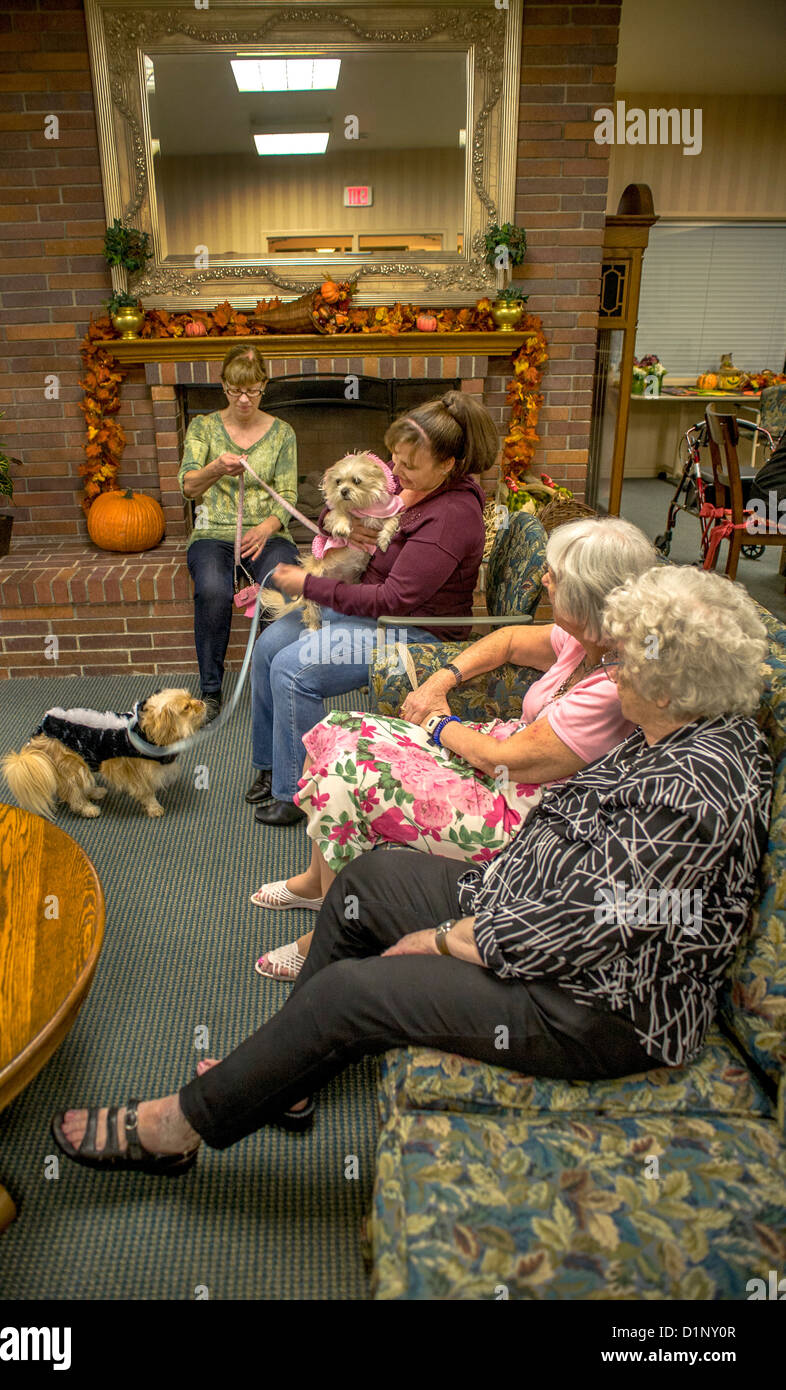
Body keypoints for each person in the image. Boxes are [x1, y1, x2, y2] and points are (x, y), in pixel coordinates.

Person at [51, 566, 773, 1172]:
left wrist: (446, 937)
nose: (611, 675)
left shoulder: (694, 790)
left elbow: (591, 930)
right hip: (529, 908)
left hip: (596, 1006)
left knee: (353, 994)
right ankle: (286, 1081)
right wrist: (479, 899)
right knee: (369, 878)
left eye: (625, 665)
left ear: (673, 686)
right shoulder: (676, 727)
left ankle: (178, 1129)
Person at [252, 516, 657, 980]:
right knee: (333, 730)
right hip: (498, 762)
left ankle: (330, 936)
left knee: (345, 772)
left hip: (526, 814)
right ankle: (317, 887)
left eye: (555, 576)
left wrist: (437, 722)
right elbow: (506, 641)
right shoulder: (587, 639)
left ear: (588, 597)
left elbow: (506, 763)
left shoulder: (612, 688)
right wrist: (444, 678)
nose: (545, 580)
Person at [246, 391, 496, 826]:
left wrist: (313, 586)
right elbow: (334, 505)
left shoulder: (452, 516)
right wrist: (341, 523)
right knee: (269, 645)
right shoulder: (416, 481)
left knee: (292, 668)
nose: (394, 472)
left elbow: (394, 600)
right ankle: (273, 764)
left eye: (406, 465)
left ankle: (300, 791)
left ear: (448, 464)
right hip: (369, 608)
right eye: (394, 459)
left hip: (412, 629)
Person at [178, 344, 300, 722]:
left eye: (252, 390)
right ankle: (211, 692)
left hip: (267, 531)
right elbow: (188, 486)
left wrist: (266, 527)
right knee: (212, 590)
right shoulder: (203, 428)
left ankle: (278, 680)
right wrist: (216, 467)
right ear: (223, 385)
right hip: (213, 532)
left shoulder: (282, 433)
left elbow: (290, 496)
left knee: (281, 583)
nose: (244, 399)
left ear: (264, 384)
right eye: (234, 390)